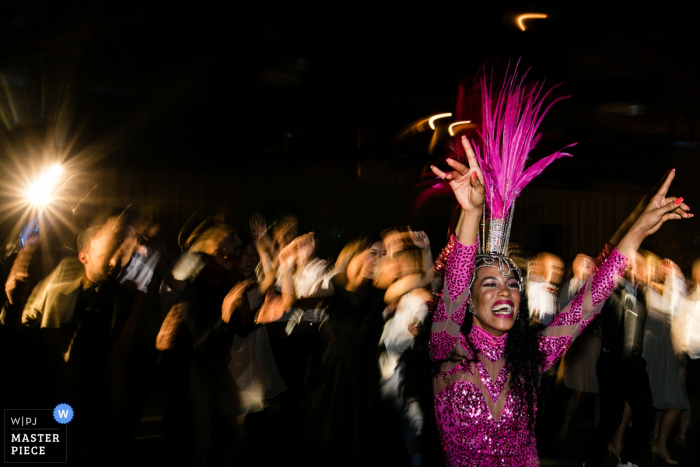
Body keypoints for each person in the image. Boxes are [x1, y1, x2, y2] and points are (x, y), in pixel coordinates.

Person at [427, 62, 691, 466]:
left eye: (512, 284)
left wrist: (637, 229)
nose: (506, 292)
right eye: (490, 284)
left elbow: (590, 300)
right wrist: (471, 213)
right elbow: (456, 282)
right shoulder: (448, 348)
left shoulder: (533, 356)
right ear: (469, 299)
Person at [643, 255, 688, 464]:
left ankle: (658, 441)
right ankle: (619, 442)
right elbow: (670, 306)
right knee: (640, 398)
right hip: (651, 348)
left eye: (657, 267)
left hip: (665, 349)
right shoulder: (647, 287)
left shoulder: (658, 286)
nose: (655, 270)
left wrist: (675, 279)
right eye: (651, 266)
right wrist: (675, 280)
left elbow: (676, 307)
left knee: (672, 399)